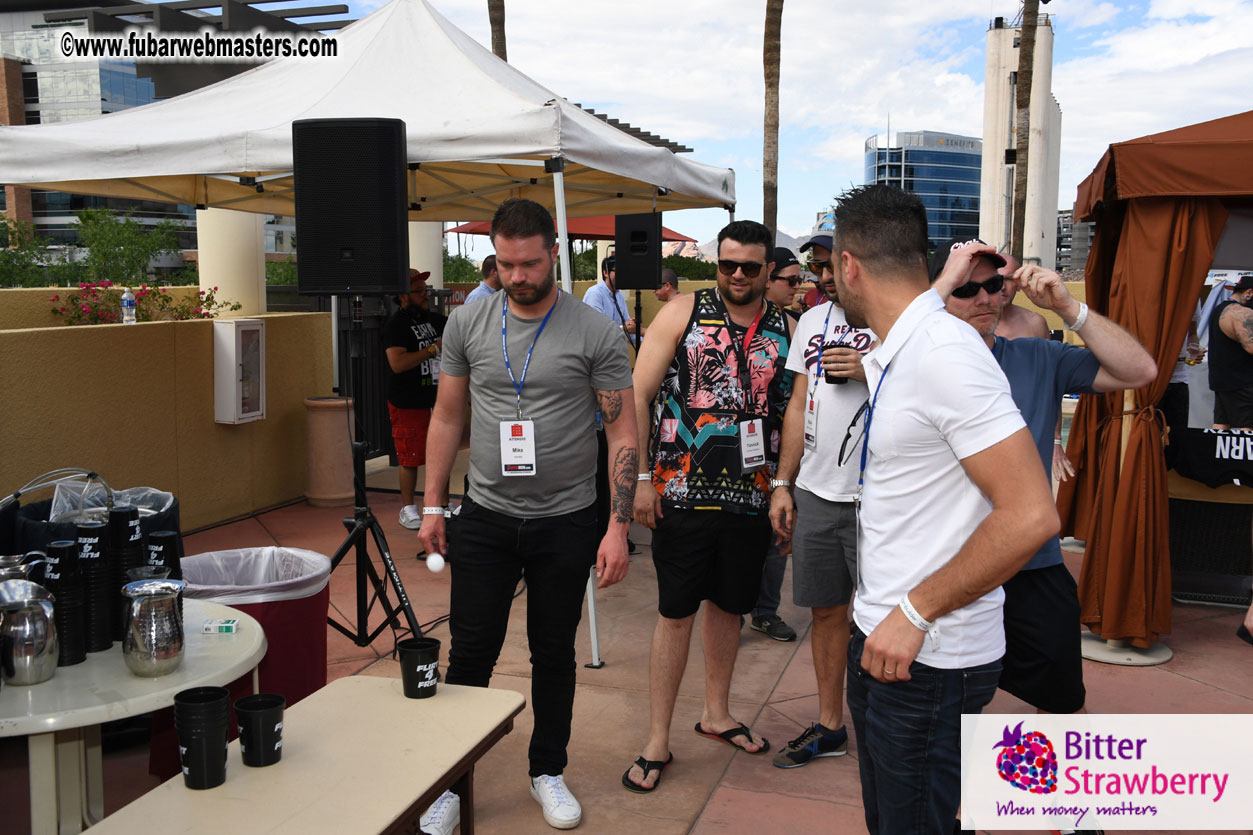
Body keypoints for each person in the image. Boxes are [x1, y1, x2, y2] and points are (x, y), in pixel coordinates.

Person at [828, 185, 1058, 835]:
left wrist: (914, 611)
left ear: (848, 265)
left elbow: (1031, 515)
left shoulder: (946, 354)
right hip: (885, 638)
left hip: (929, 655)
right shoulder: (906, 345)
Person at [416, 198, 637, 833]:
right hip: (485, 513)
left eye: (531, 264)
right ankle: (450, 781)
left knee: (554, 652)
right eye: (507, 264)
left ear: (554, 255)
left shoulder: (595, 331)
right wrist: (432, 503)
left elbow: (622, 432)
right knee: (471, 652)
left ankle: (548, 770)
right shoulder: (468, 322)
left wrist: (618, 526)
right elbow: (447, 416)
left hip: (567, 518)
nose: (518, 277)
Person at [930, 237, 1157, 719]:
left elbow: (1139, 370)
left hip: (1029, 560)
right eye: (965, 289)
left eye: (993, 285)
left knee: (1062, 698)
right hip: (942, 561)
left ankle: (1043, 771)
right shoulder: (910, 366)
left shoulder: (1036, 357)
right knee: (941, 702)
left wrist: (1070, 309)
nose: (985, 298)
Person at [624, 220, 792, 793]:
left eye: (749, 266)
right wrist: (640, 480)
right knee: (676, 612)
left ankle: (716, 714)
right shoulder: (682, 313)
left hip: (751, 496)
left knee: (730, 607)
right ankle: (657, 739)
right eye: (727, 264)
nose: (737, 275)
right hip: (680, 492)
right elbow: (638, 393)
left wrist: (784, 486)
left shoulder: (787, 327)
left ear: (768, 270)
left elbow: (792, 412)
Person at [767, 254, 875, 767]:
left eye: (834, 265)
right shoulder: (812, 320)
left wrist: (871, 371)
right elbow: (797, 403)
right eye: (818, 266)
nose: (825, 276)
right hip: (815, 492)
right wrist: (783, 484)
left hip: (878, 499)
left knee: (885, 619)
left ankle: (889, 731)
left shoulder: (899, 317)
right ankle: (831, 727)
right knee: (827, 612)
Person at [748, 246, 805, 643]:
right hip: (734, 451)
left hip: (780, 451)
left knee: (776, 535)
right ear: (768, 279)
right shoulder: (733, 321)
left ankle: (765, 612)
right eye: (791, 280)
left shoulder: (795, 328)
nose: (797, 287)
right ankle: (730, 609)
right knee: (737, 536)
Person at [383, 269, 446, 530]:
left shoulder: (435, 320)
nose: (425, 295)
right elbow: (397, 363)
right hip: (407, 401)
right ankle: (407, 509)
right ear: (403, 296)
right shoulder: (397, 325)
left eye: (426, 290)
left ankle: (443, 506)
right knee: (410, 457)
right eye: (419, 291)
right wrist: (432, 349)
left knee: (441, 453)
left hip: (436, 400)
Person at [1208, 274, 1253, 430]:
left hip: (1221, 380)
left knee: (1221, 424)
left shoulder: (1218, 310)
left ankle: (1213, 448)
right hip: (1243, 381)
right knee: (1247, 427)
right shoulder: (1243, 313)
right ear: (1249, 292)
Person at [583, 254, 638, 345]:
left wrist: (636, 330)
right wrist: (624, 328)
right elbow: (597, 329)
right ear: (605, 273)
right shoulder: (594, 293)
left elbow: (629, 330)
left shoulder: (619, 296)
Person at [993, 252, 1049, 340]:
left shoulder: (1035, 324)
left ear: (1019, 284)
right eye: (996, 279)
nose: (1002, 287)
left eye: (1009, 279)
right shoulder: (971, 323)